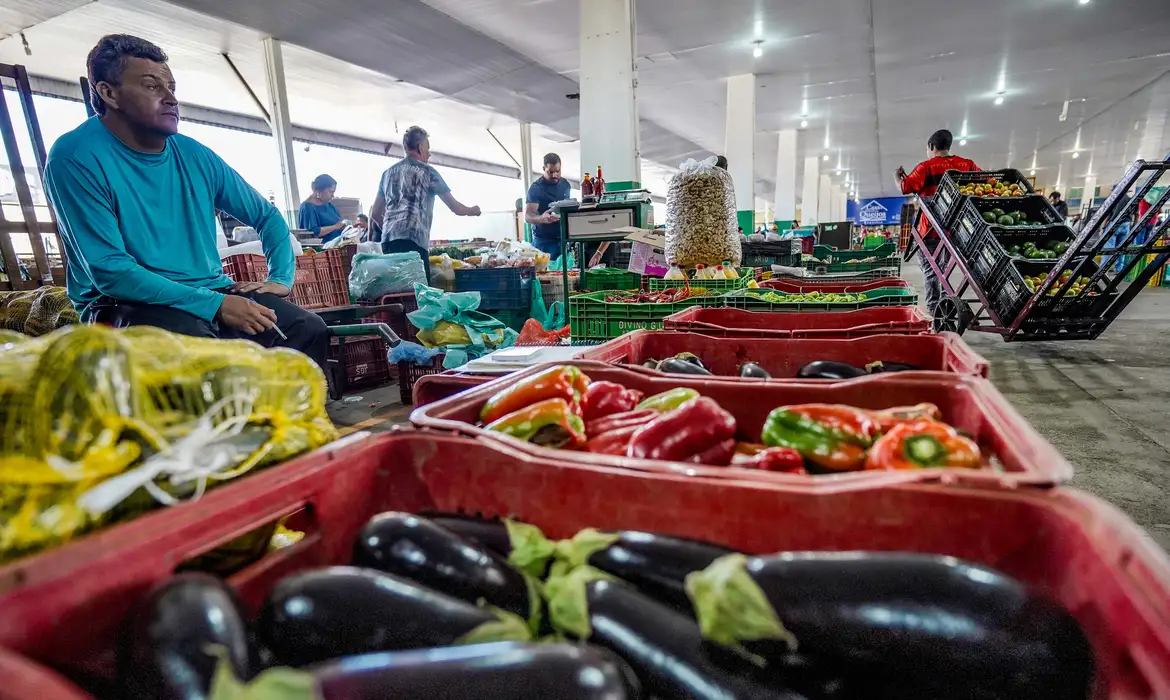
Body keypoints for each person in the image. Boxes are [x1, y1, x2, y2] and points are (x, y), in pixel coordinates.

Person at [43, 34, 328, 368]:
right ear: (108, 93)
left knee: (307, 329)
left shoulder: (194, 155)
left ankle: (284, 421)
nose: (170, 99)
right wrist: (215, 305)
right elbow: (112, 272)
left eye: (172, 87)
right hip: (124, 302)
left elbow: (267, 216)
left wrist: (280, 279)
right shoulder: (76, 156)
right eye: (152, 86)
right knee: (204, 358)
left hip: (211, 290)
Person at [371, 126, 480, 282]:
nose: (429, 154)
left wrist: (392, 230)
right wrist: (473, 210)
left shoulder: (387, 174)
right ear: (421, 147)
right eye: (428, 148)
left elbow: (375, 213)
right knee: (420, 293)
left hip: (388, 241)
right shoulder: (428, 172)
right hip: (414, 241)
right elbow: (456, 208)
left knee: (396, 290)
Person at [894, 129, 978, 313]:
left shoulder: (926, 167)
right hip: (954, 232)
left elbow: (905, 187)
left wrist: (898, 177)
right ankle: (942, 305)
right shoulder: (967, 165)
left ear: (931, 146)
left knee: (931, 270)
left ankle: (934, 309)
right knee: (942, 269)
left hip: (930, 230)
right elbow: (981, 184)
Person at [525, 152, 571, 258]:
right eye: (550, 172)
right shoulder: (536, 189)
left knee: (567, 272)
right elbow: (528, 216)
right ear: (543, 168)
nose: (555, 175)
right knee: (544, 272)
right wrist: (542, 218)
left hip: (564, 239)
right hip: (544, 241)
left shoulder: (565, 185)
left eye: (558, 171)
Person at [298, 174, 347, 244]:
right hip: (322, 251)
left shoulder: (330, 206)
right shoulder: (307, 208)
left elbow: (339, 223)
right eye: (330, 192)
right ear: (319, 190)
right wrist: (334, 227)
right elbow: (313, 232)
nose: (333, 195)